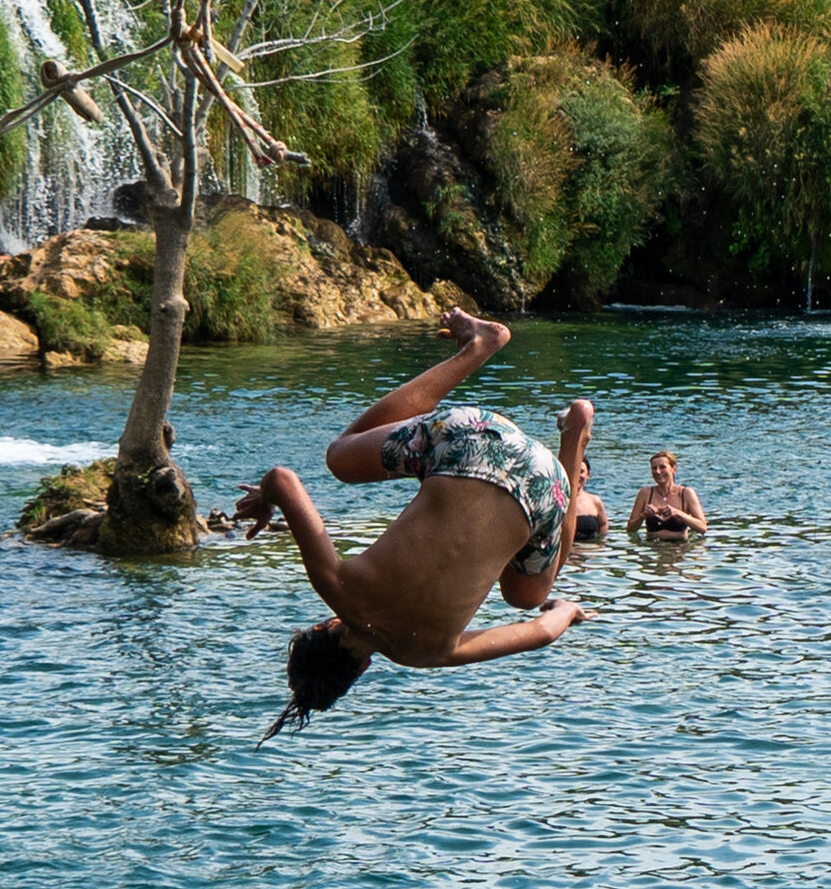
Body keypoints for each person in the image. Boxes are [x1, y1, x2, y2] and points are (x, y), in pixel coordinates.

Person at [236, 309, 593, 740]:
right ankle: (479, 348)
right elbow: (283, 478)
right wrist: (265, 500)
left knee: (530, 596)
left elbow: (539, 633)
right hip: (473, 436)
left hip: (545, 483)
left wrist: (566, 610)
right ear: (321, 627)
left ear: (363, 668)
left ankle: (574, 434)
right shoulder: (336, 586)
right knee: (340, 458)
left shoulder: (429, 654)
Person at [626, 450, 708, 541]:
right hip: (652, 549)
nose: (658, 471)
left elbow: (702, 528)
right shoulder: (645, 493)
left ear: (674, 469)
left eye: (662, 467)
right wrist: (643, 516)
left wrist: (679, 513)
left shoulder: (686, 493)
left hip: (680, 548)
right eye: (654, 468)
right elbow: (630, 529)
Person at [572, 459, 609, 544]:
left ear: (588, 475)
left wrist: (600, 544)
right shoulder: (560, 501)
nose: (577, 475)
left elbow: (603, 524)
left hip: (591, 551)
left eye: (581, 471)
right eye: (574, 471)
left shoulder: (595, 501)